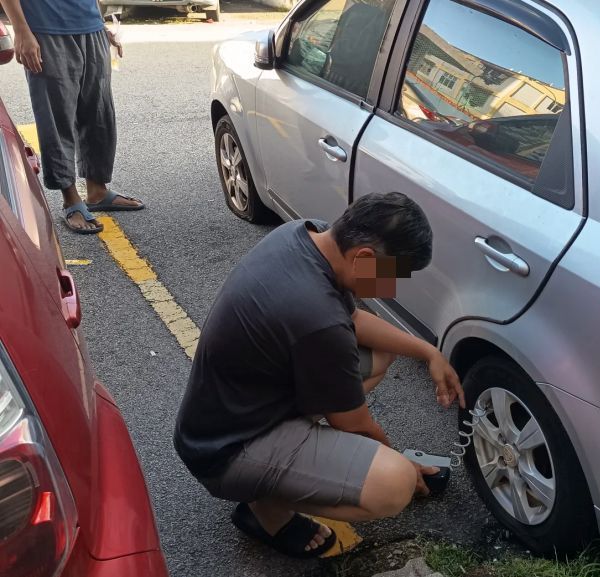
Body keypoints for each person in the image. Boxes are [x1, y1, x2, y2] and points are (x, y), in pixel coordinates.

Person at [174, 192, 465, 558]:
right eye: (392, 276)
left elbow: (353, 320)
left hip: (235, 408)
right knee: (394, 484)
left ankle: (292, 462)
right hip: (227, 450)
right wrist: (408, 467)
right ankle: (266, 510)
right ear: (363, 258)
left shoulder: (305, 235)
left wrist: (428, 352)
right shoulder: (316, 319)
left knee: (386, 349)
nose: (391, 289)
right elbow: (355, 426)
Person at [0, 0, 144, 234]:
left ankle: (97, 191)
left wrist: (101, 25)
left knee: (99, 115)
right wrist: (22, 31)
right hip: (46, 32)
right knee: (57, 119)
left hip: (91, 29)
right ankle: (71, 199)